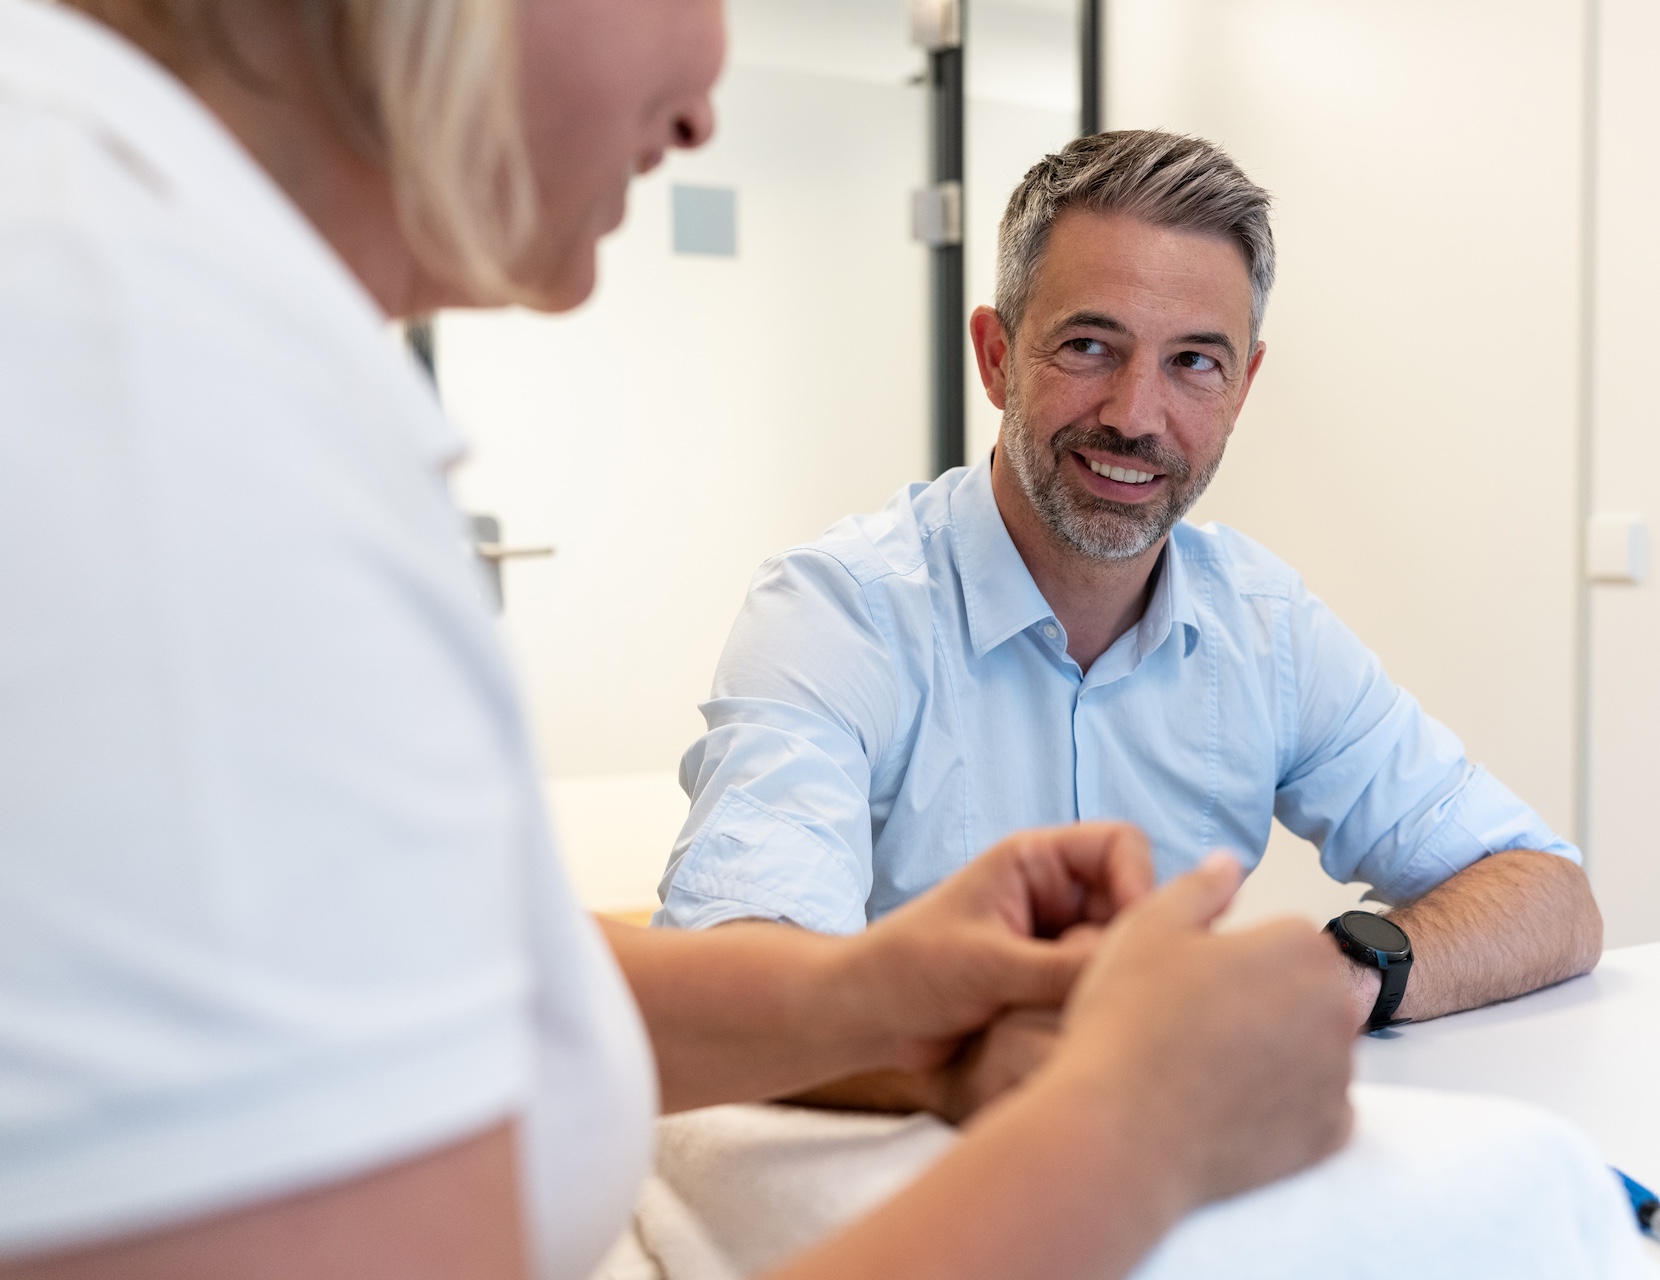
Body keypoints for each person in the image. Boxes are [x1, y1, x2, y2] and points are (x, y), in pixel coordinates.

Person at [0, 1, 1357, 1278]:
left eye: (1195, 360)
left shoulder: (151, 304)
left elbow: (421, 975)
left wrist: (887, 1009)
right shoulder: (140, 394)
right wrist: (1139, 1132)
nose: (709, 92)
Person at [657, 131, 1604, 1062]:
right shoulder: (839, 615)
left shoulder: (1264, 629)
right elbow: (738, 984)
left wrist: (1334, 979)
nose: (1136, 416)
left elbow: (1548, 896)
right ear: (995, 356)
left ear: (1243, 387)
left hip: (1175, 1162)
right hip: (907, 1172)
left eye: (1195, 361)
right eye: (1089, 345)